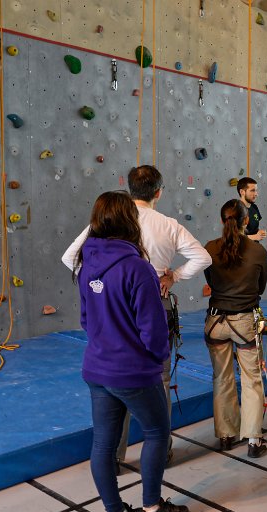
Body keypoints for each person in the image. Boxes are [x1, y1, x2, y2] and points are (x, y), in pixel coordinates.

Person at [63, 165, 212, 469]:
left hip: (111, 307)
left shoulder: (107, 222)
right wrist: (174, 277)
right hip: (154, 300)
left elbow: (70, 258)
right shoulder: (167, 224)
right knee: (160, 378)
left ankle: (115, 456)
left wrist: (97, 286)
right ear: (159, 192)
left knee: (114, 381)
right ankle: (161, 449)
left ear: (129, 189)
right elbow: (203, 257)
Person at [74, 191, 188, 512]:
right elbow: (153, 329)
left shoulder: (85, 261)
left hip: (97, 368)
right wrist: (157, 358)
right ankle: (152, 509)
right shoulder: (136, 266)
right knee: (156, 432)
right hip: (132, 371)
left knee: (103, 443)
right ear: (129, 221)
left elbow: (85, 318)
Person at [204, 199, 267, 457]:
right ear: (246, 221)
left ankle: (226, 434)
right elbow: (261, 287)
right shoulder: (257, 251)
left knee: (222, 378)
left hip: (216, 321)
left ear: (223, 221)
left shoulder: (210, 248)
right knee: (252, 379)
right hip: (244, 321)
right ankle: (254, 440)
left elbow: (211, 281)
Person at [237, 177, 267, 242]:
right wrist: (255, 237)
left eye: (256, 190)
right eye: (252, 190)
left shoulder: (254, 207)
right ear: (242, 192)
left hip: (254, 248)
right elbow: (234, 237)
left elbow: (253, 228)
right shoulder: (236, 210)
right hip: (242, 250)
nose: (256, 194)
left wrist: (260, 233)